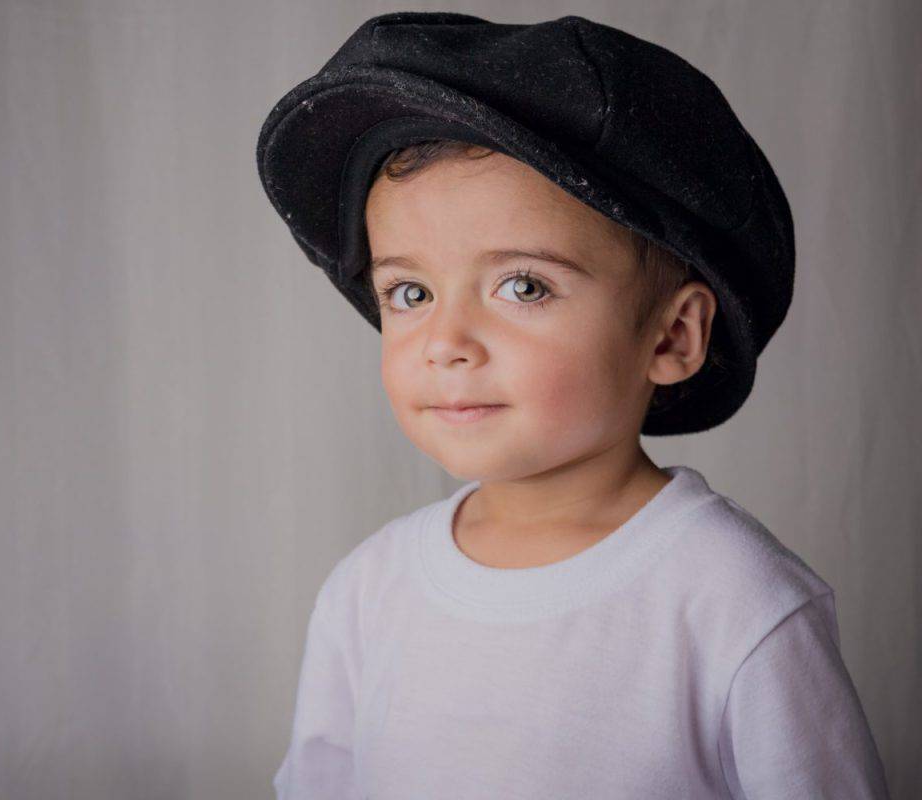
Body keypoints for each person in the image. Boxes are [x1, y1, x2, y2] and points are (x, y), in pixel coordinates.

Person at [255, 11, 891, 799]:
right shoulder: (369, 589)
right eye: (410, 292)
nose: (445, 340)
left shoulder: (736, 600)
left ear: (671, 337)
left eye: (523, 285)